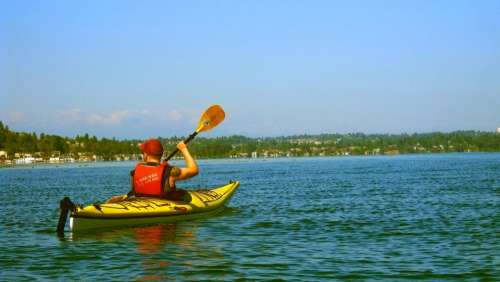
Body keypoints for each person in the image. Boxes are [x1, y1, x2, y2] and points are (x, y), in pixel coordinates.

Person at [106, 138, 198, 203]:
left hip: (138, 203)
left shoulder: (134, 172)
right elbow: (194, 170)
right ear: (161, 154)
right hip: (163, 208)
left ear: (146, 154)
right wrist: (183, 149)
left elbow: (134, 191)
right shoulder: (170, 172)